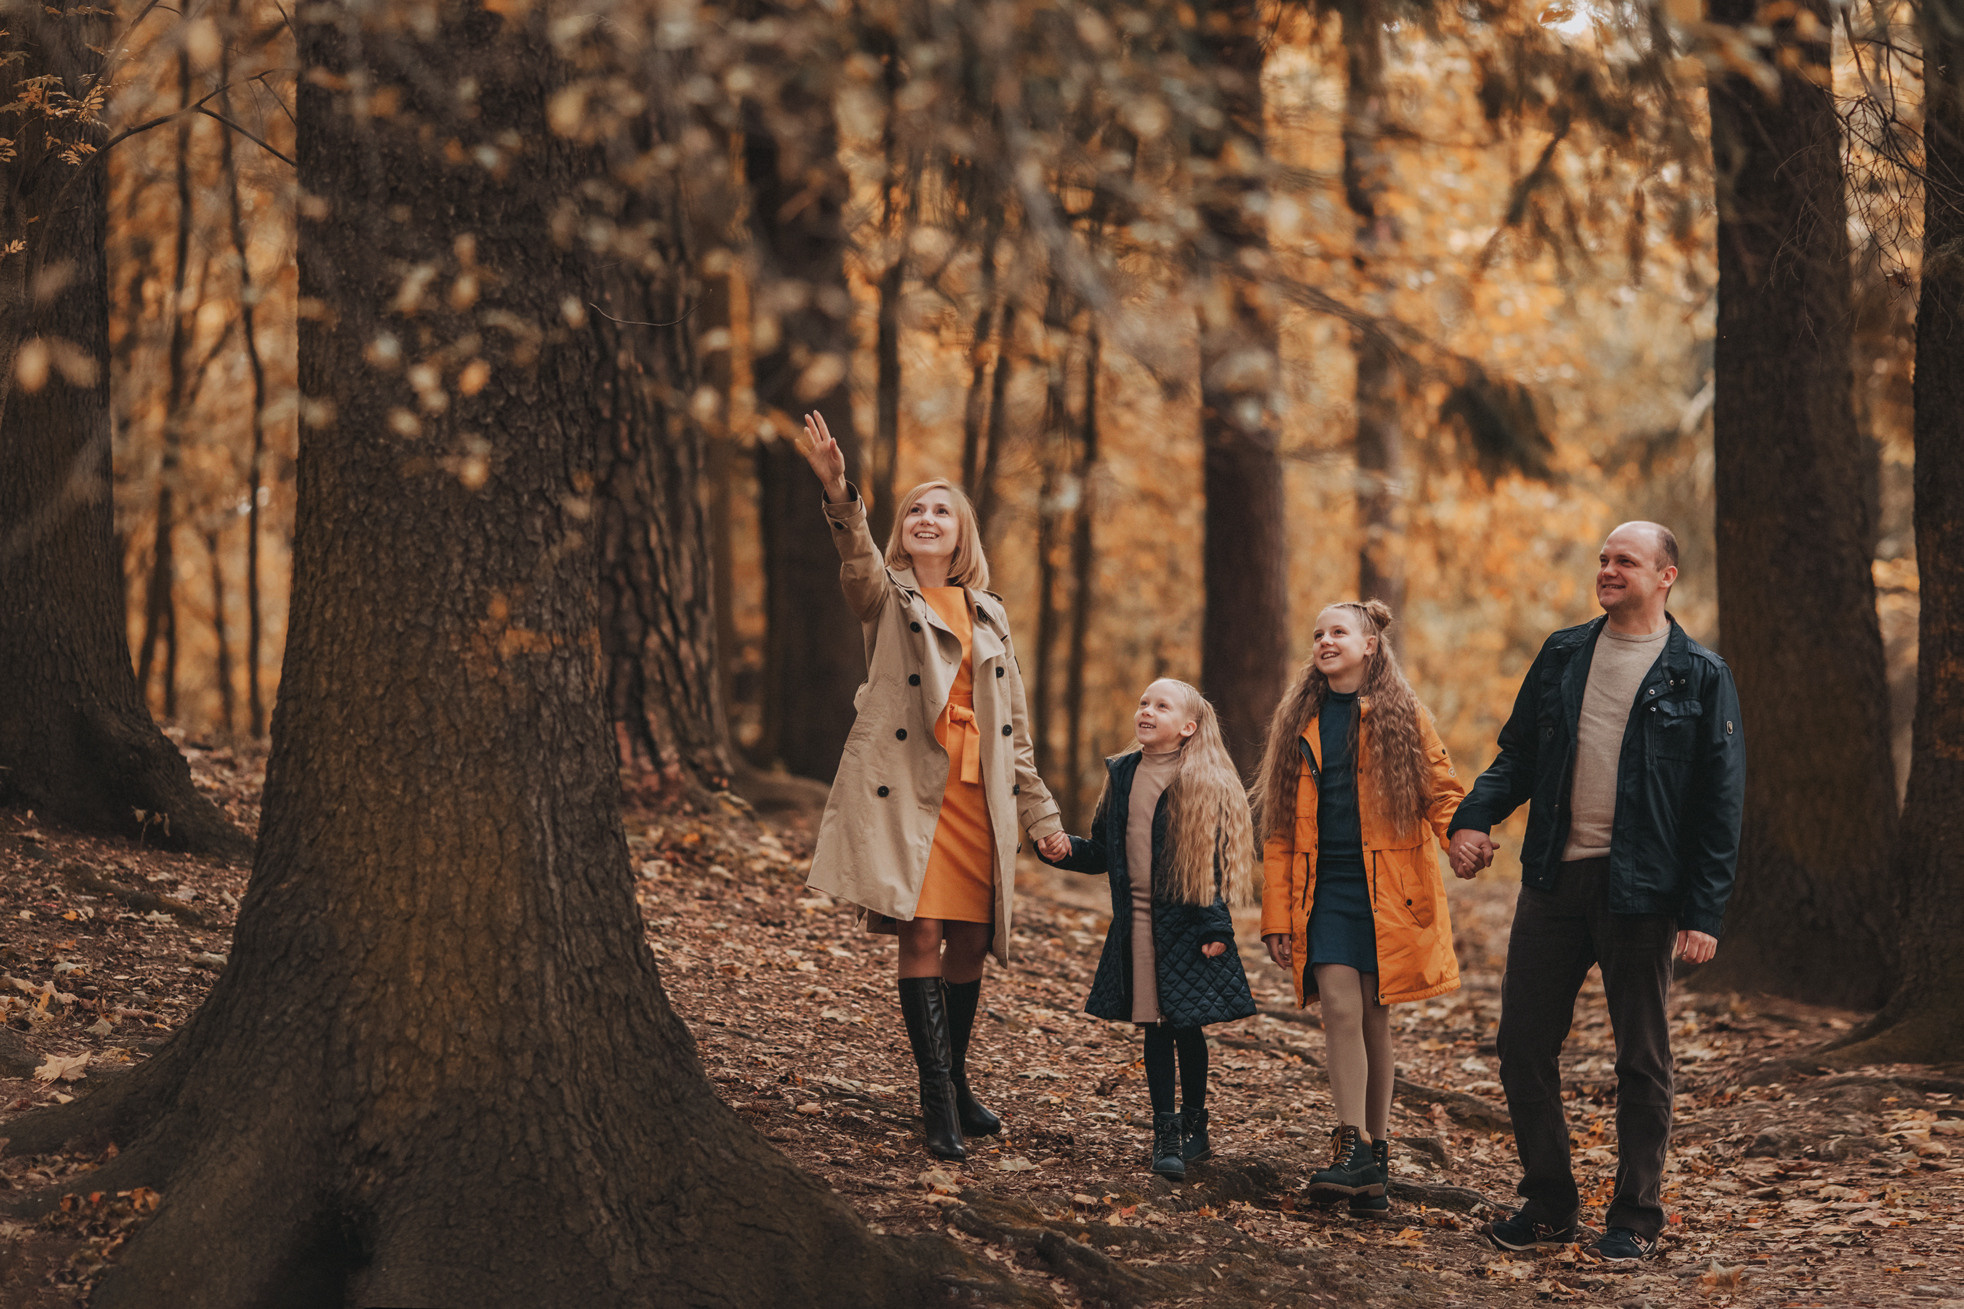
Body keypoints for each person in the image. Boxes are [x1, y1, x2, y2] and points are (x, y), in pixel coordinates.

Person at [1448, 522, 1744, 1265]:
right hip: (1554, 877)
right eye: (1604, 559)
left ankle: (1636, 1214)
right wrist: (1475, 815)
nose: (1609, 570)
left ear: (1666, 575)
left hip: (1642, 892)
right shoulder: (1563, 652)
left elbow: (1720, 801)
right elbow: (1518, 753)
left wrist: (1704, 909)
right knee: (1521, 1044)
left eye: (1626, 561)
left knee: (1641, 1059)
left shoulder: (1699, 674)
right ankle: (1549, 1201)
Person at [796, 411, 1071, 1163]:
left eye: (940, 510)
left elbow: (1013, 726)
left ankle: (958, 1073)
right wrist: (839, 495)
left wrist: (1040, 812)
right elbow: (855, 562)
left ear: (961, 536)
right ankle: (936, 1096)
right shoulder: (886, 598)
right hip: (915, 795)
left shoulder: (991, 614)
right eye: (914, 508)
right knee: (920, 932)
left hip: (981, 801)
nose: (925, 517)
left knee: (972, 939)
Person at [1250, 600, 1466, 1220]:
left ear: (1370, 644)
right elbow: (1279, 829)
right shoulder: (1300, 721)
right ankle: (1349, 1147)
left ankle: (1375, 1162)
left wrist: (1462, 841)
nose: (1324, 640)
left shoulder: (1404, 716)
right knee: (1340, 1008)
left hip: (1389, 891)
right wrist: (1275, 918)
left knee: (1375, 1018)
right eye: (1317, 633)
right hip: (1324, 893)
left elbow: (1441, 793)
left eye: (1337, 631)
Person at [1038, 678, 1257, 1181]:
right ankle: (1166, 1133)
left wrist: (1215, 926)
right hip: (1135, 925)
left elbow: (1213, 866)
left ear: (1186, 728)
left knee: (1186, 1025)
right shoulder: (1123, 775)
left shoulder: (1201, 781)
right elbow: (1104, 850)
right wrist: (1067, 849)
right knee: (1153, 1027)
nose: (1147, 710)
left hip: (1184, 924)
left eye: (1161, 705)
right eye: (1143, 702)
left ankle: (1196, 1124)